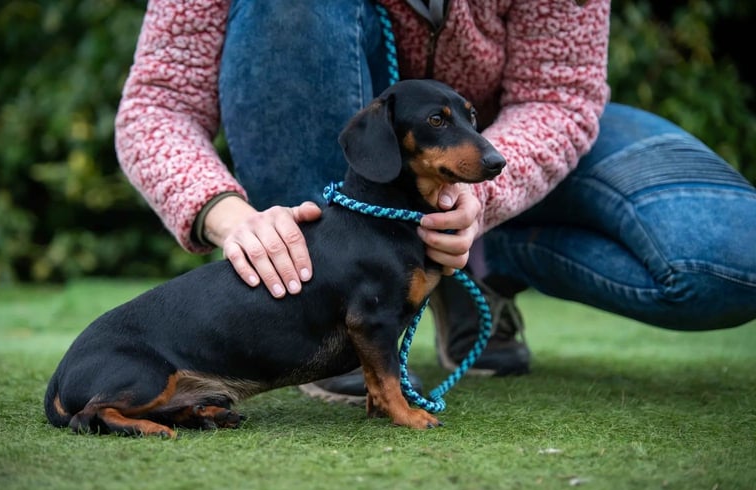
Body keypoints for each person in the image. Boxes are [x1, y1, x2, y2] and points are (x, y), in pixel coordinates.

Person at [115, 0, 756, 404]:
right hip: (341, 189)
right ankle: (332, 307)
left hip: (507, 146)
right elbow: (156, 105)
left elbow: (559, 97)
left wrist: (476, 203)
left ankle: (479, 263)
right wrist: (225, 213)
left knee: (731, 264)